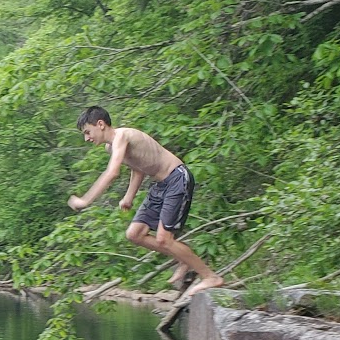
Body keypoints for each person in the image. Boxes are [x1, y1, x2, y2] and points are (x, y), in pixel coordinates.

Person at [67, 106, 224, 296]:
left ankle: (211, 277)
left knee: (163, 239)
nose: (87, 138)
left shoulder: (122, 136)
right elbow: (138, 168)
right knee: (134, 234)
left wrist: (85, 200)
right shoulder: (111, 147)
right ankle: (184, 257)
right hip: (161, 185)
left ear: (100, 124)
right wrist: (129, 196)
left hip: (176, 178)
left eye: (87, 132)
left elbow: (112, 172)